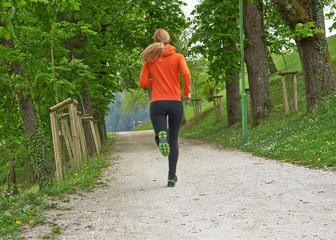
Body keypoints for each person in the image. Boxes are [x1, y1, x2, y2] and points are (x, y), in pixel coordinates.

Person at [139, 29, 191, 187]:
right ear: (169, 39)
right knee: (174, 140)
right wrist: (186, 92)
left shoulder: (150, 59)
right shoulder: (178, 57)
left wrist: (155, 81)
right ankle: (171, 177)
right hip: (175, 102)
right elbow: (186, 73)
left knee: (163, 137)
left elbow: (142, 82)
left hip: (157, 103)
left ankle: (161, 137)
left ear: (155, 40)